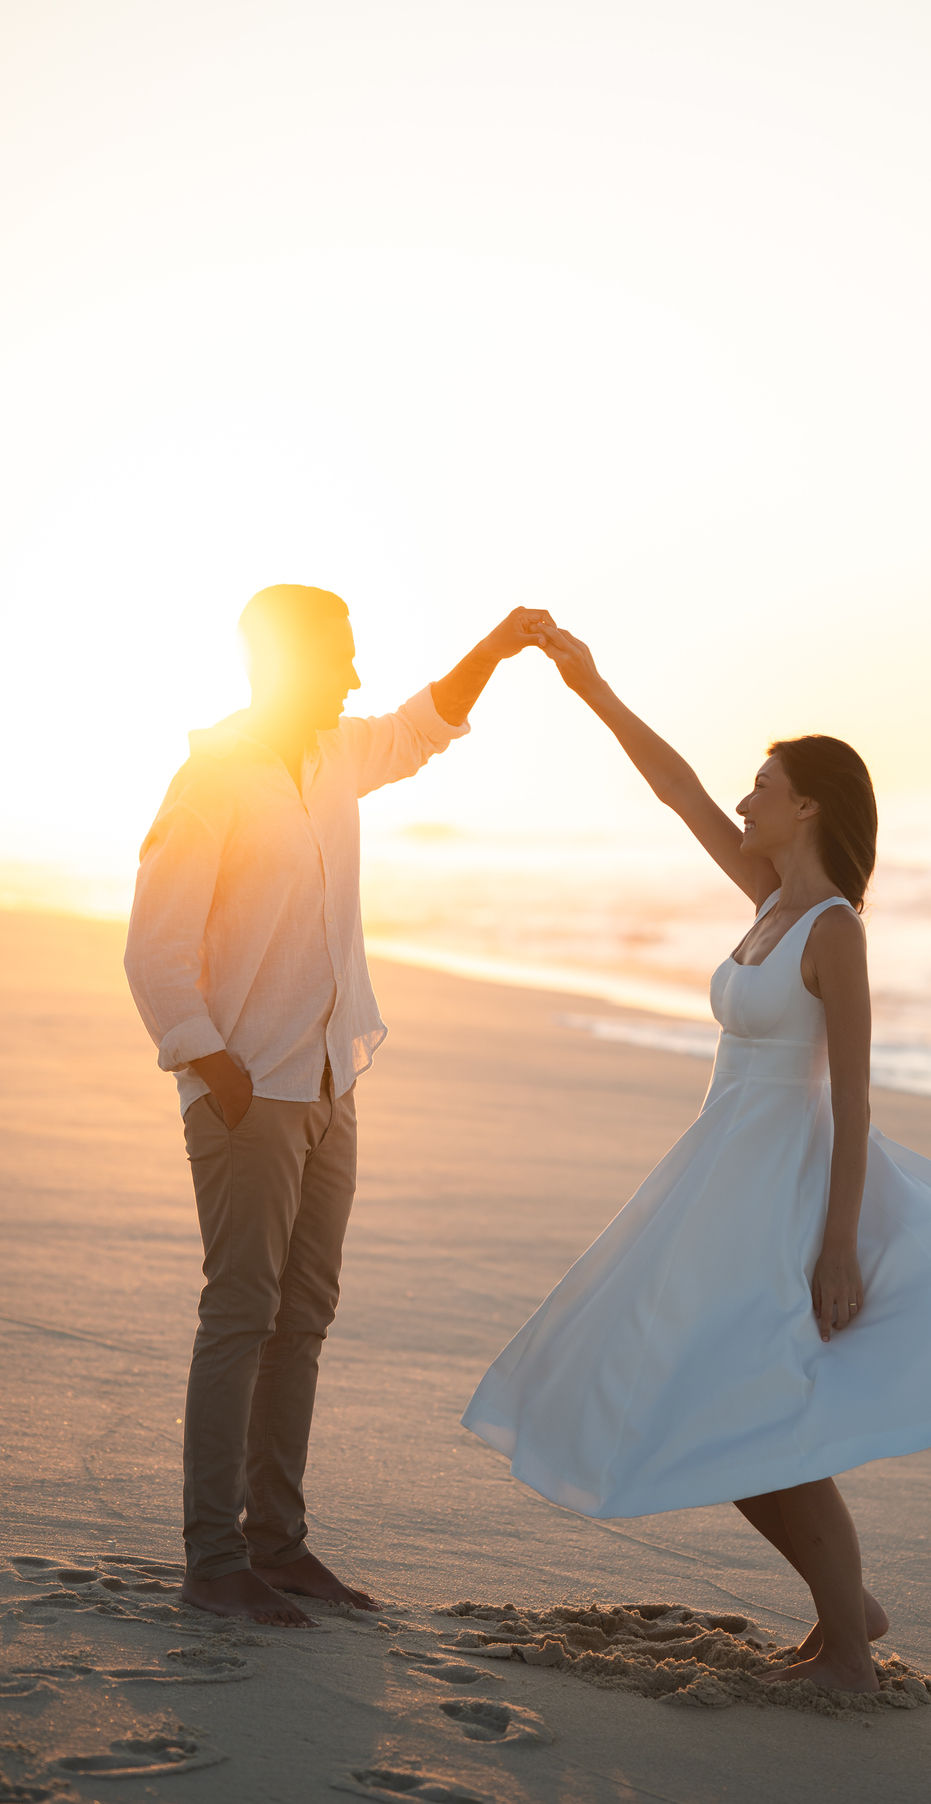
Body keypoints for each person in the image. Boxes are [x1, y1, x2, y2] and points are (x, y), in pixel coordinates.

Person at [462, 627, 931, 1693]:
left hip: (781, 1187)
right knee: (710, 1402)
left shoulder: (835, 931)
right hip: (717, 1173)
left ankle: (848, 1650)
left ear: (807, 806)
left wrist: (837, 1244)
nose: (743, 801)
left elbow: (854, 1099)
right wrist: (591, 687)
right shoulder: (767, 900)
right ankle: (849, 1606)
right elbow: (676, 790)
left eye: (762, 787)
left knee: (745, 1404)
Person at [126, 584, 553, 1626]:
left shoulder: (334, 757)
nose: (354, 676)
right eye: (337, 656)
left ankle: (277, 1544)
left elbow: (421, 726)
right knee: (241, 1315)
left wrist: (496, 646)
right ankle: (212, 1559)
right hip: (249, 1092)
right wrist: (216, 1068)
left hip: (329, 1081)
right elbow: (155, 948)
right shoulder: (213, 779)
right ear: (278, 660)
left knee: (303, 1320)